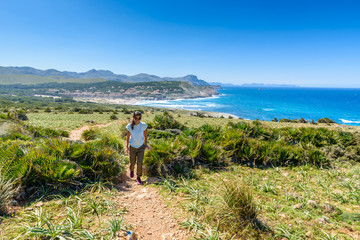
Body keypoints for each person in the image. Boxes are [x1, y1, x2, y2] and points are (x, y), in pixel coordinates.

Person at [126, 111, 149, 184]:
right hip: (132, 147)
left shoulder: (143, 125)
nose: (137, 120)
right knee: (132, 163)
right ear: (133, 118)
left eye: (139, 119)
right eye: (136, 118)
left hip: (141, 147)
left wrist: (146, 145)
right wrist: (127, 147)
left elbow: (145, 136)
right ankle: (132, 170)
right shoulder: (129, 126)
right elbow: (128, 137)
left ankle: (138, 177)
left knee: (140, 163)